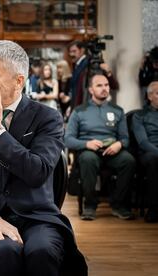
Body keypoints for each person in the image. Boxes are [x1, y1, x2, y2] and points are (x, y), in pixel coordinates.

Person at [0, 40, 86, 276]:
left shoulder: (47, 117)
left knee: (42, 251)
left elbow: (38, 172)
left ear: (18, 81)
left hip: (37, 216)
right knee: (5, 250)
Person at [65, 73, 136, 221]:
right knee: (88, 160)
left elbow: (125, 138)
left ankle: (118, 204)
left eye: (106, 85)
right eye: (99, 85)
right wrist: (86, 144)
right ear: (91, 90)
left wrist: (119, 144)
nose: (104, 88)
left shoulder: (117, 110)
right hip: (89, 151)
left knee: (128, 161)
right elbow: (68, 139)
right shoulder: (79, 111)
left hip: (112, 151)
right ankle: (90, 205)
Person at [132, 81, 158, 222]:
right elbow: (143, 142)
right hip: (149, 152)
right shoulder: (140, 116)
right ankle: (154, 209)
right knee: (154, 159)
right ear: (149, 96)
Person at [68, 41, 119, 108]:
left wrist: (108, 72)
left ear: (82, 50)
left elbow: (114, 86)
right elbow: (78, 91)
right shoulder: (80, 68)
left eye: (74, 51)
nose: (71, 54)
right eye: (70, 52)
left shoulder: (87, 65)